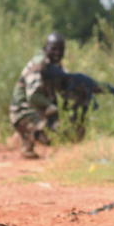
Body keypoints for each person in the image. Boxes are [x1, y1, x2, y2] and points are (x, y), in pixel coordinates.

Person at [9, 32, 71, 160]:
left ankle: (25, 138)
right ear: (46, 47)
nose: (58, 53)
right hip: (22, 112)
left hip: (32, 111)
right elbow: (33, 96)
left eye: (61, 49)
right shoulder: (39, 64)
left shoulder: (53, 64)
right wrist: (52, 107)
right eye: (54, 48)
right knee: (56, 134)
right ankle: (25, 134)